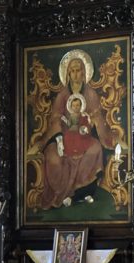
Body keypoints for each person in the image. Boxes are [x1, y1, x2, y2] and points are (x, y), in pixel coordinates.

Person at [38, 50, 114, 209]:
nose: (75, 74)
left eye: (78, 70)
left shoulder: (90, 94)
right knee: (52, 156)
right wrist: (59, 136)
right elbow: (56, 118)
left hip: (84, 137)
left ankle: (84, 192)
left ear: (84, 72)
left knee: (95, 149)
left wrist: (89, 124)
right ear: (67, 73)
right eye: (72, 70)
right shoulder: (62, 95)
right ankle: (63, 193)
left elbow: (96, 116)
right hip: (64, 136)